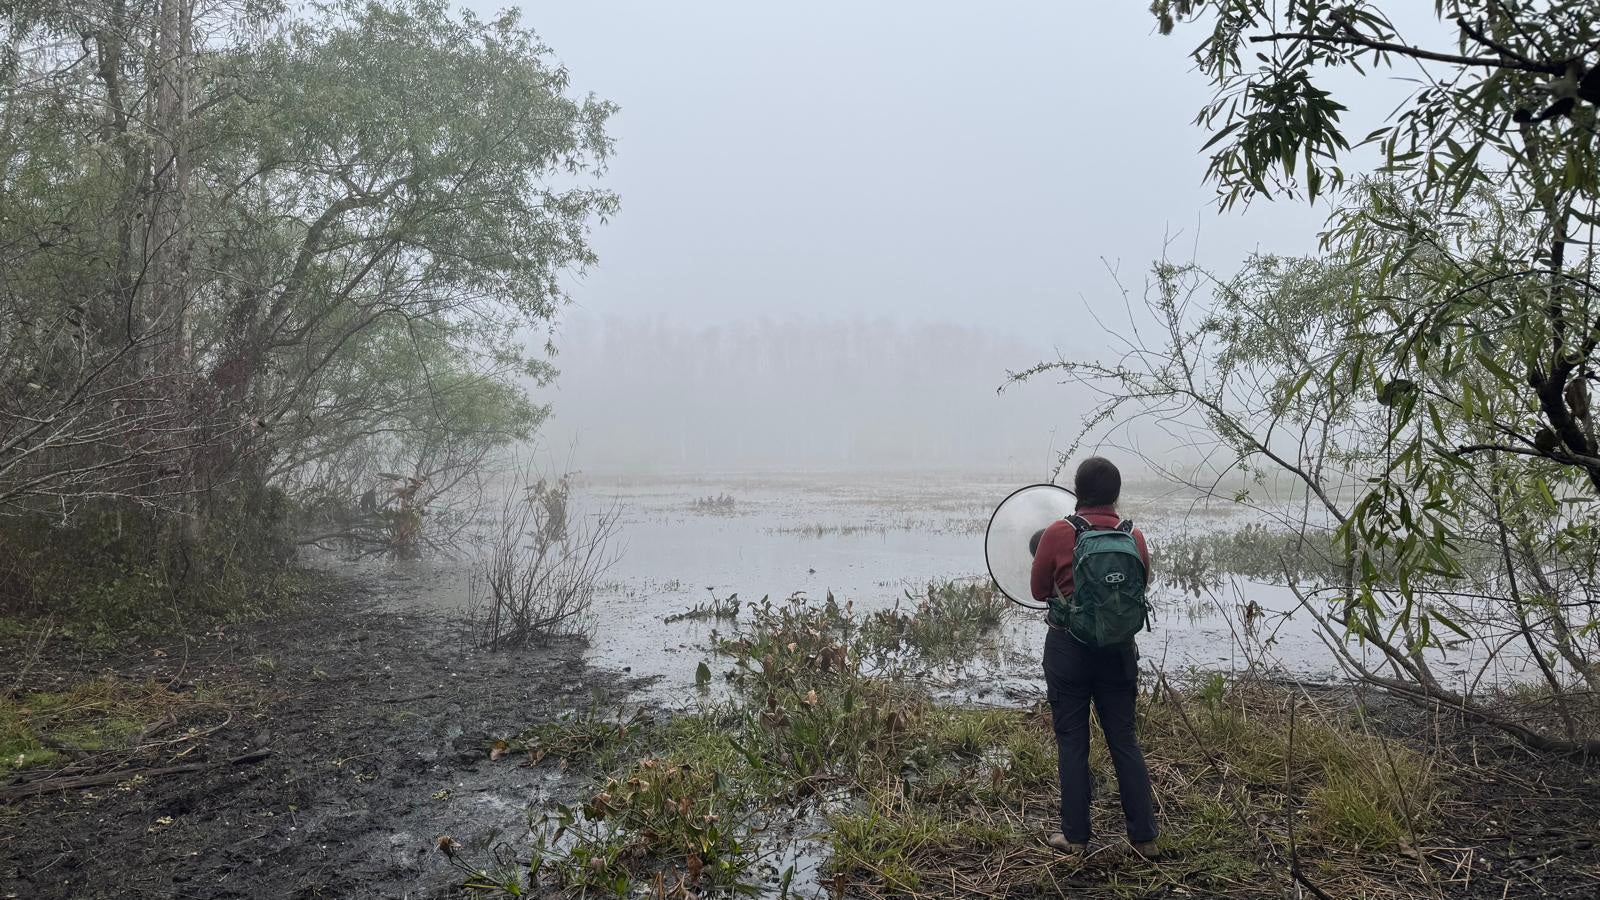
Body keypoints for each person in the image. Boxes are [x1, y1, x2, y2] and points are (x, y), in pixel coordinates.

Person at [1029, 457, 1160, 861]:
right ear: (1116, 495)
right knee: (1124, 740)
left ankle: (1076, 836)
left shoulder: (1057, 532)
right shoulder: (1133, 535)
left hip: (1068, 649)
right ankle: (1145, 838)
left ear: (1077, 490)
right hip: (1119, 651)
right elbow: (1143, 582)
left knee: (1072, 742)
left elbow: (1037, 591)